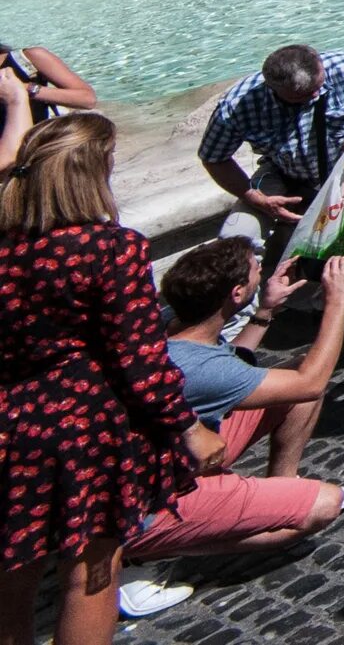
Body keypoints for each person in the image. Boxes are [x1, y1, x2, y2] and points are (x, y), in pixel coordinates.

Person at [0, 107, 203, 645]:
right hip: (84, 431)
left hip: (9, 426)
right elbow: (140, 361)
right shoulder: (111, 249)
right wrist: (188, 428)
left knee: (11, 576)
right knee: (91, 574)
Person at [128, 241, 344, 570]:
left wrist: (264, 311)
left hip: (179, 457)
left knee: (292, 375)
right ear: (236, 293)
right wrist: (338, 301)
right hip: (148, 507)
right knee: (324, 504)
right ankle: (143, 552)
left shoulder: (173, 323)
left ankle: (282, 487)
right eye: (256, 270)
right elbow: (312, 383)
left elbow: (224, 368)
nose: (261, 272)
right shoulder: (198, 367)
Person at [196, 44, 344, 264]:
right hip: (284, 170)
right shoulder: (237, 105)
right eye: (305, 95)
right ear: (275, 90)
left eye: (319, 85)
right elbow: (214, 158)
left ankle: (340, 286)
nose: (317, 95)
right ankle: (244, 294)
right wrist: (255, 198)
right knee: (237, 236)